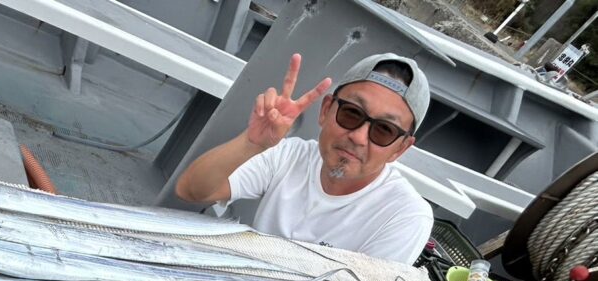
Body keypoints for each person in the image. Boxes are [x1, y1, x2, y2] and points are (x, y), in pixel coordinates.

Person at [175, 52, 434, 265]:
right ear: (325, 110)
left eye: (384, 130)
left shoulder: (405, 215)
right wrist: (251, 143)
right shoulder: (289, 155)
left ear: (400, 149)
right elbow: (191, 190)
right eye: (352, 113)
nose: (358, 137)